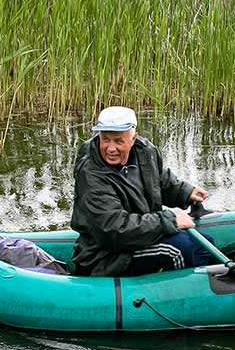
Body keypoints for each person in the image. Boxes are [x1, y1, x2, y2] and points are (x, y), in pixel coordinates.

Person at [70, 106, 212, 277]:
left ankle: (193, 283)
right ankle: (176, 296)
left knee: (205, 244)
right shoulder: (91, 175)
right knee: (179, 248)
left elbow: (160, 181)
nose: (110, 148)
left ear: (133, 139)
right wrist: (170, 221)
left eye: (118, 141)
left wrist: (184, 192)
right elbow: (114, 229)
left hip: (141, 235)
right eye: (105, 139)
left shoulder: (145, 151)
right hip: (107, 255)